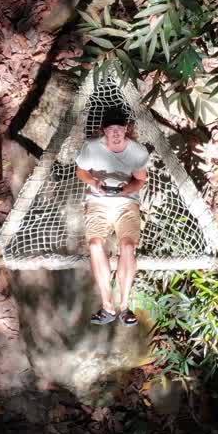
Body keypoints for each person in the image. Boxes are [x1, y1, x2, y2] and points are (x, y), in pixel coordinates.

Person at [75, 107, 150, 326]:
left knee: (127, 247)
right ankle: (107, 306)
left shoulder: (137, 151)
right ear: (104, 130)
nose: (116, 133)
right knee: (96, 245)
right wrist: (93, 182)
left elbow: (140, 180)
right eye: (111, 129)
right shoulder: (91, 148)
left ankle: (124, 306)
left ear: (126, 129)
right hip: (98, 201)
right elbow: (80, 171)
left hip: (126, 203)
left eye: (120, 129)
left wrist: (128, 189)